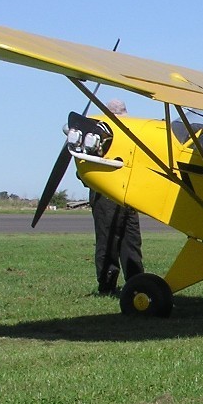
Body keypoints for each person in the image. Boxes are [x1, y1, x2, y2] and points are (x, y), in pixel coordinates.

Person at [90, 98, 144, 295]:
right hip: (105, 193)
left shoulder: (131, 133)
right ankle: (107, 285)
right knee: (107, 240)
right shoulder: (100, 135)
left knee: (132, 240)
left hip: (128, 193)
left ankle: (137, 283)